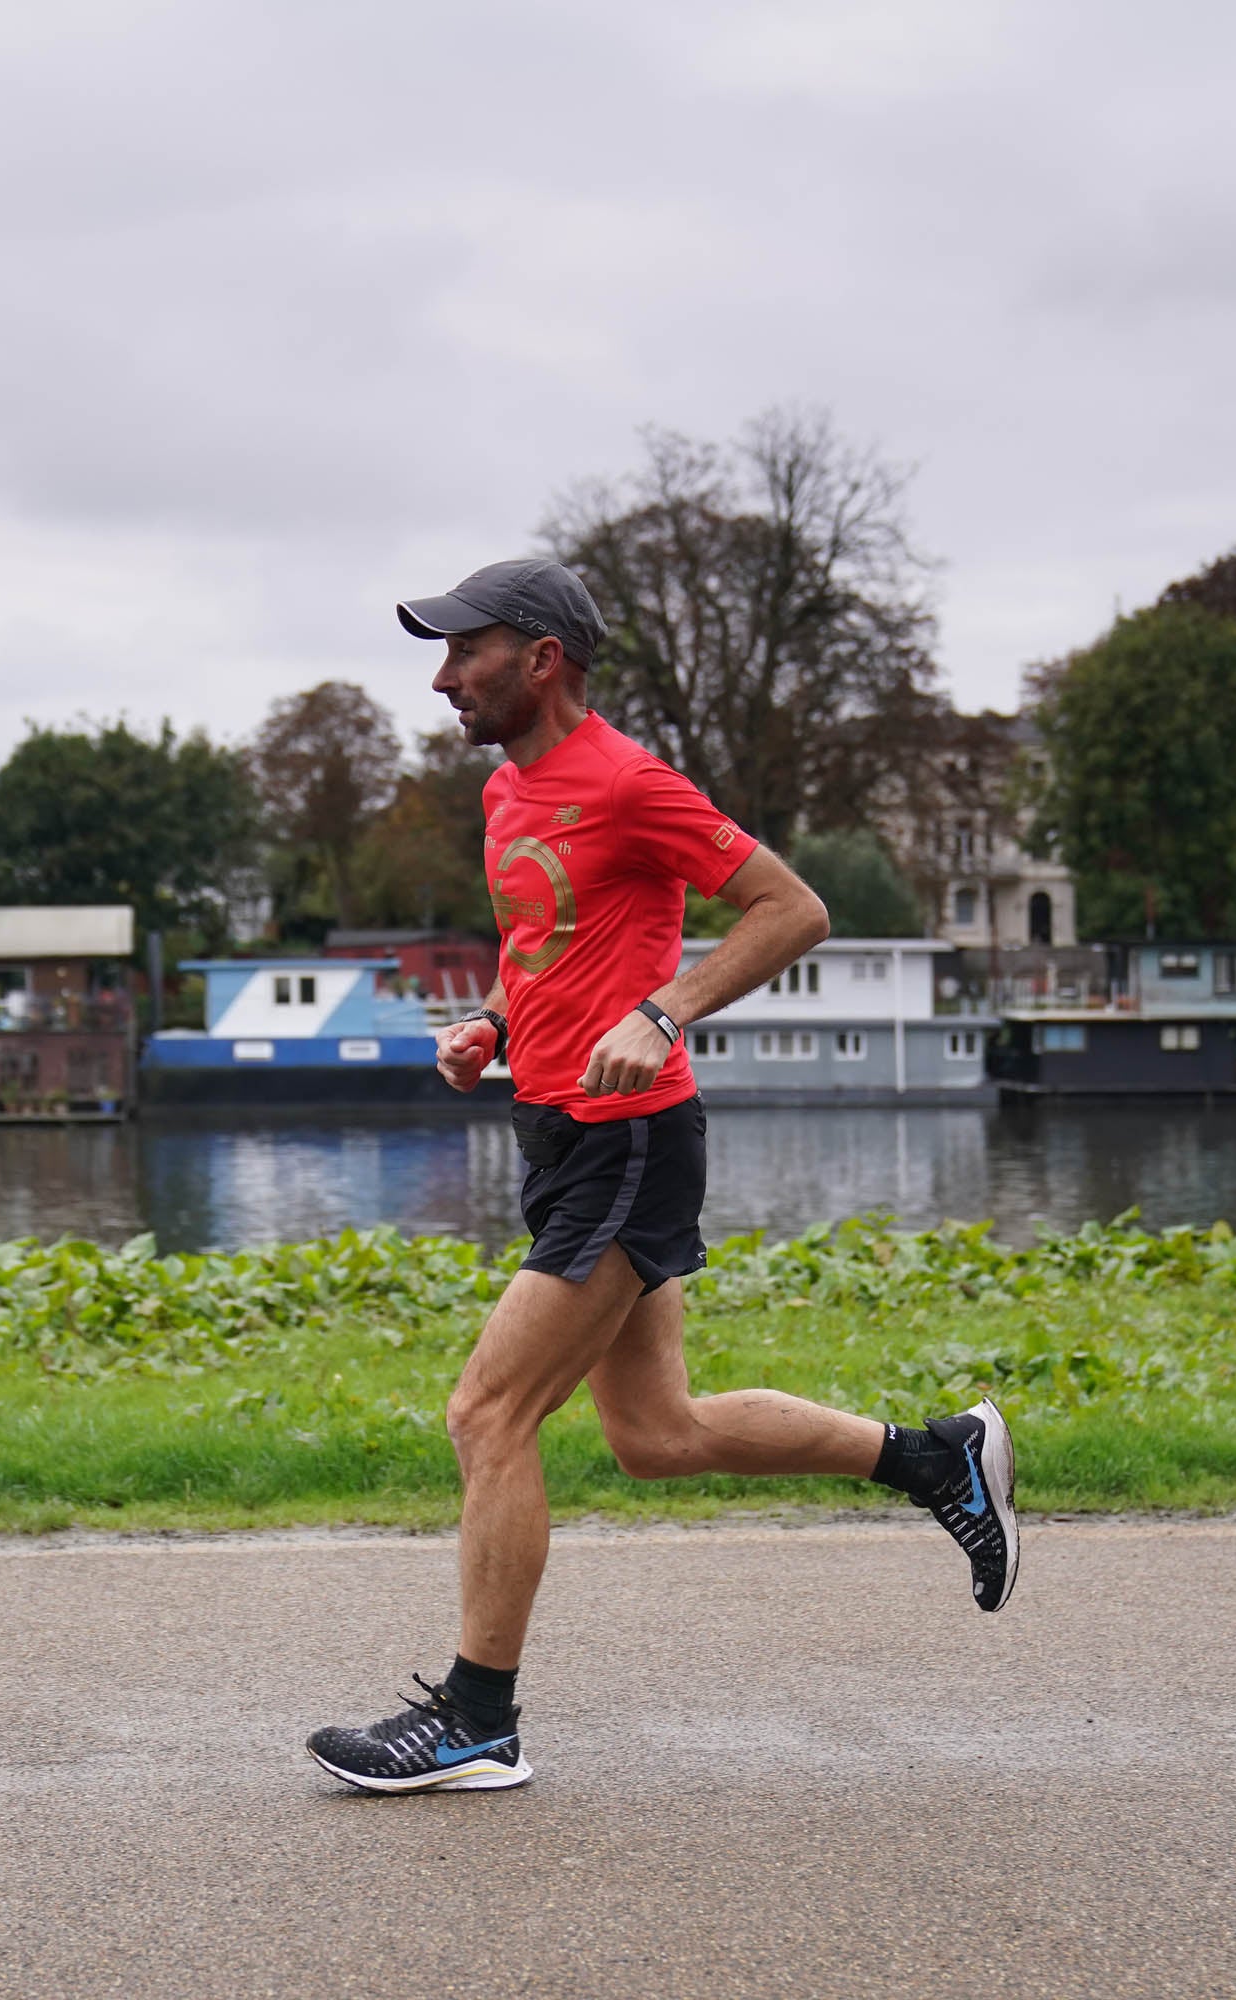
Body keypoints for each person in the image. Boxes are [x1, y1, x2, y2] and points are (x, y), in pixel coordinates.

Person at [305, 558, 1018, 1796]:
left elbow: (792, 909)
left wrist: (669, 1008)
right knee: (657, 1435)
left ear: (539, 656)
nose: (439, 676)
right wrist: (493, 1025)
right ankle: (937, 1455)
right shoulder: (505, 791)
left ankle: (477, 1718)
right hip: (560, 1132)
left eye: (461, 650)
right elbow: (552, 947)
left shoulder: (630, 781)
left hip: (632, 1139)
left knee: (488, 1411)